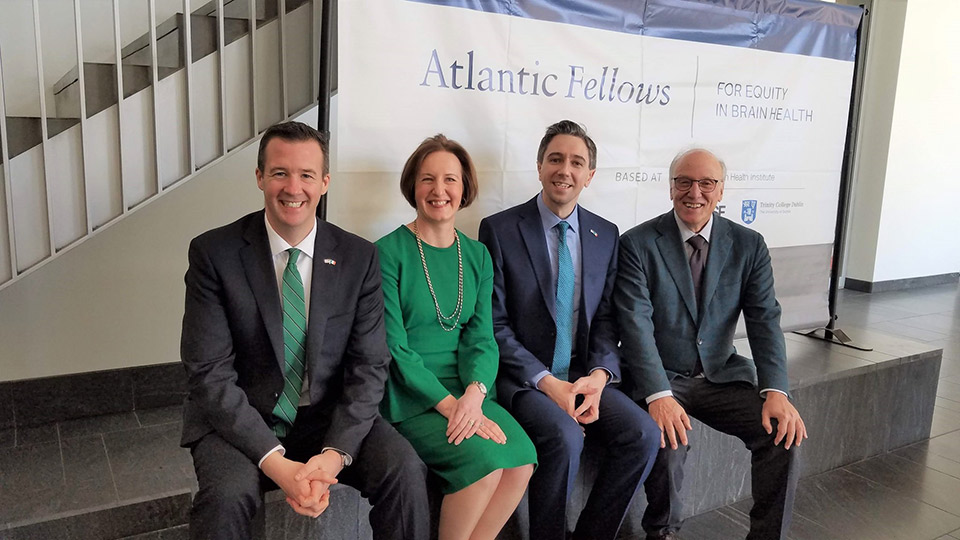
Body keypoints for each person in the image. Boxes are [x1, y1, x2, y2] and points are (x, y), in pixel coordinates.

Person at [180, 121, 429, 540]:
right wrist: (277, 464)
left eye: (307, 175)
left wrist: (334, 455)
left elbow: (370, 365)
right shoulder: (214, 253)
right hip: (242, 414)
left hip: (324, 414)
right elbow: (209, 375)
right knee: (226, 499)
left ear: (325, 182)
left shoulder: (358, 258)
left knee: (406, 471)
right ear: (260, 177)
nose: (293, 187)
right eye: (280, 172)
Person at [478, 120, 660, 540]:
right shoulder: (500, 229)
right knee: (564, 438)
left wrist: (598, 378)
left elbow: (607, 321)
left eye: (577, 162)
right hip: (524, 379)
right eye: (556, 159)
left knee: (643, 434)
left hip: (583, 374)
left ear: (589, 176)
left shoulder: (605, 234)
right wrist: (547, 383)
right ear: (540, 166)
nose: (565, 170)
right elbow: (495, 325)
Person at [614, 148, 808, 540]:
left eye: (706, 183)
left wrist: (775, 390)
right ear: (671, 188)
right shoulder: (637, 243)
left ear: (721, 191)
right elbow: (635, 325)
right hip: (661, 375)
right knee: (668, 440)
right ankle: (663, 533)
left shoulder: (748, 244)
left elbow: (764, 320)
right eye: (684, 181)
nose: (694, 192)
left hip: (719, 374)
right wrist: (658, 394)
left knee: (782, 435)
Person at [376, 134, 536, 540]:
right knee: (482, 467)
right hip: (411, 396)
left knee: (521, 462)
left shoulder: (477, 255)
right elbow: (395, 348)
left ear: (464, 189)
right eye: (428, 179)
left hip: (469, 393)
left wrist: (475, 395)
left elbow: (482, 338)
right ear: (413, 185)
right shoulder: (386, 252)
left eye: (450, 179)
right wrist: (450, 406)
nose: (439, 190)